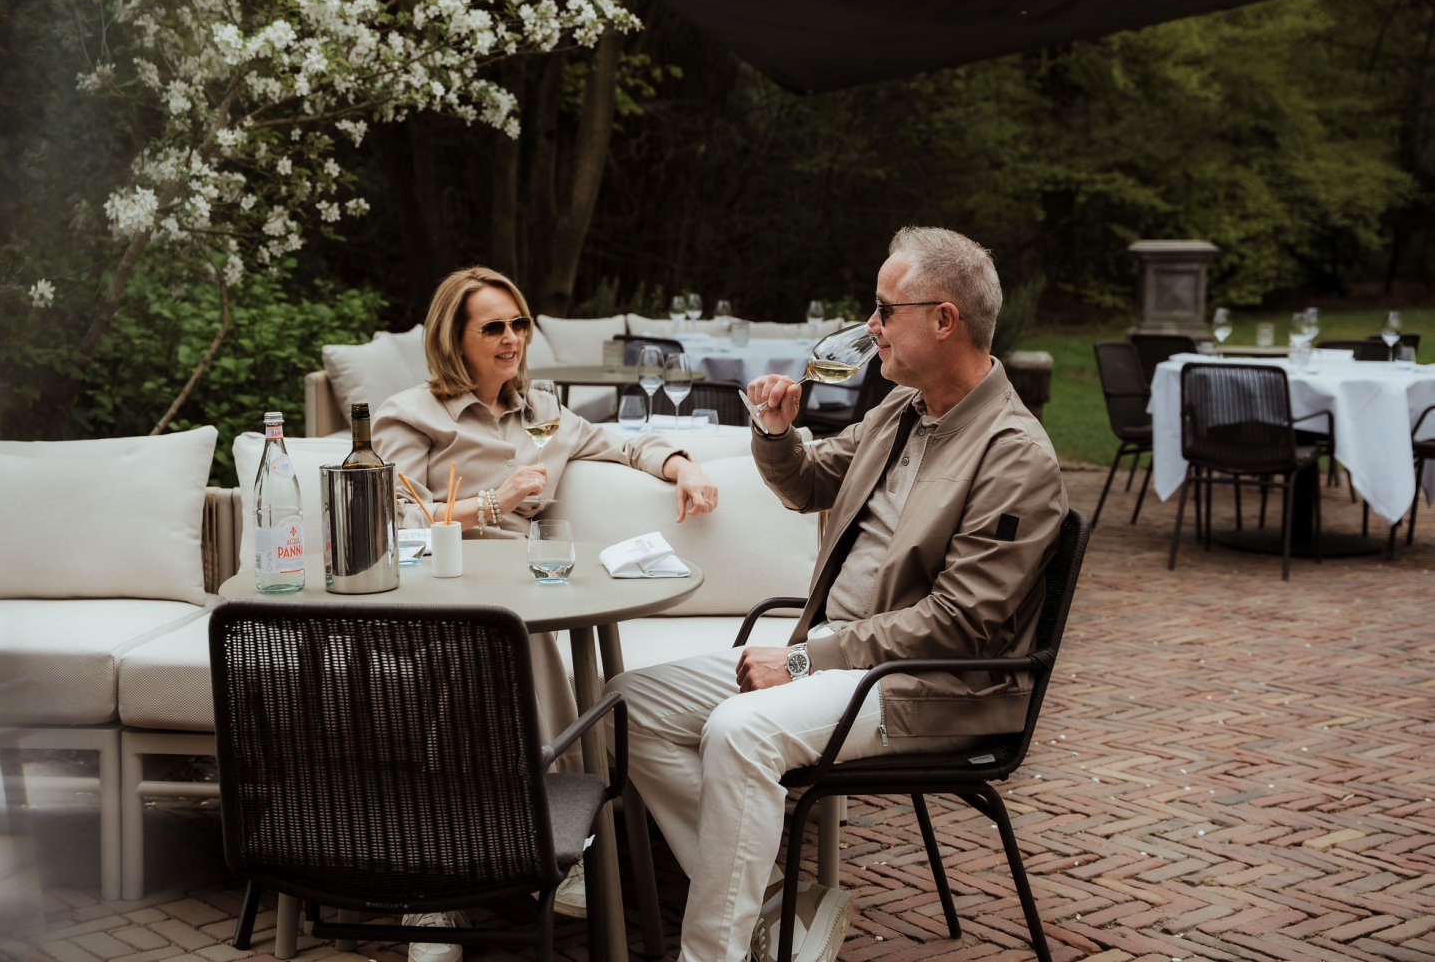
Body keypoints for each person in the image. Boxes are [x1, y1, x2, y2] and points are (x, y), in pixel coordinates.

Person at [605, 227, 1069, 962]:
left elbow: (958, 626)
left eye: (885, 309)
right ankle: (774, 905)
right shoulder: (902, 412)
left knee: (740, 731)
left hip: (926, 686)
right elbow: (809, 482)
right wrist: (775, 431)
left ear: (944, 320)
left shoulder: (1014, 455)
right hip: (837, 655)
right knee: (626, 707)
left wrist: (801, 661)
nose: (870, 326)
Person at [373, 265, 718, 961]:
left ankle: (447, 880)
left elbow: (626, 442)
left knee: (514, 630)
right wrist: (493, 503)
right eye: (493, 328)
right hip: (434, 590)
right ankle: (549, 841)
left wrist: (683, 465)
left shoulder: (545, 413)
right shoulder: (411, 415)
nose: (512, 339)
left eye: (519, 324)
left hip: (521, 590)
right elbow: (393, 521)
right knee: (507, 636)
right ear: (454, 339)